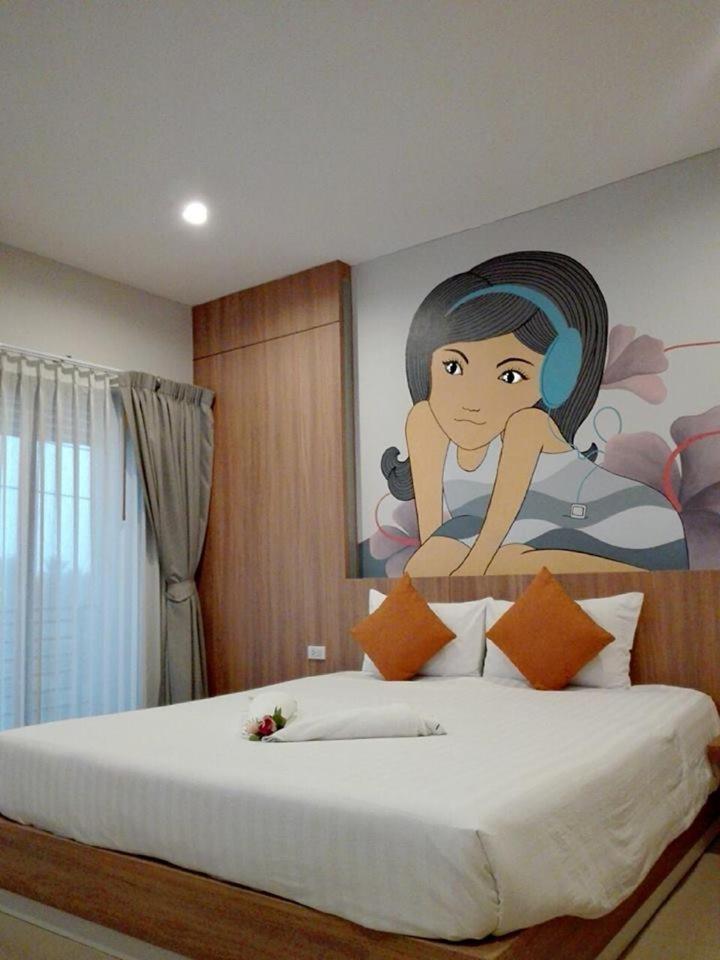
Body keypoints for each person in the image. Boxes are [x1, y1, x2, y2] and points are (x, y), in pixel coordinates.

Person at [381, 251, 688, 576]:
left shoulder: (527, 424)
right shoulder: (425, 422)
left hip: (623, 531)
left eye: (510, 376)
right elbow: (431, 541)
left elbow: (493, 538)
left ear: (556, 378)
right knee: (437, 558)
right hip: (504, 542)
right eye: (453, 367)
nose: (472, 400)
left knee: (508, 563)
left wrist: (467, 572)